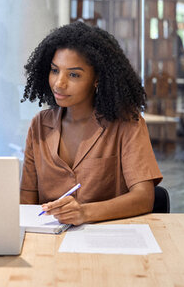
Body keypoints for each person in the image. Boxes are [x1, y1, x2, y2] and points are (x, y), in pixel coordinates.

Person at [20, 22, 162, 225]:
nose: (59, 83)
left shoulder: (126, 123)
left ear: (97, 79)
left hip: (109, 240)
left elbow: (144, 197)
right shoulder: (40, 126)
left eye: (74, 74)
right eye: (54, 70)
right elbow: (27, 200)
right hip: (49, 240)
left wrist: (85, 213)